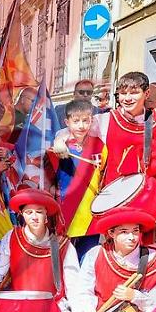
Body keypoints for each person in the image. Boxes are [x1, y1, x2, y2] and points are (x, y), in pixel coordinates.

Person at [51, 98, 101, 258]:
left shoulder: (99, 145)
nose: (81, 126)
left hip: (91, 212)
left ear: (91, 120)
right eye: (76, 121)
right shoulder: (60, 147)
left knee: (87, 258)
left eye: (86, 121)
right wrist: (58, 143)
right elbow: (48, 175)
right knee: (66, 260)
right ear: (67, 122)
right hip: (67, 211)